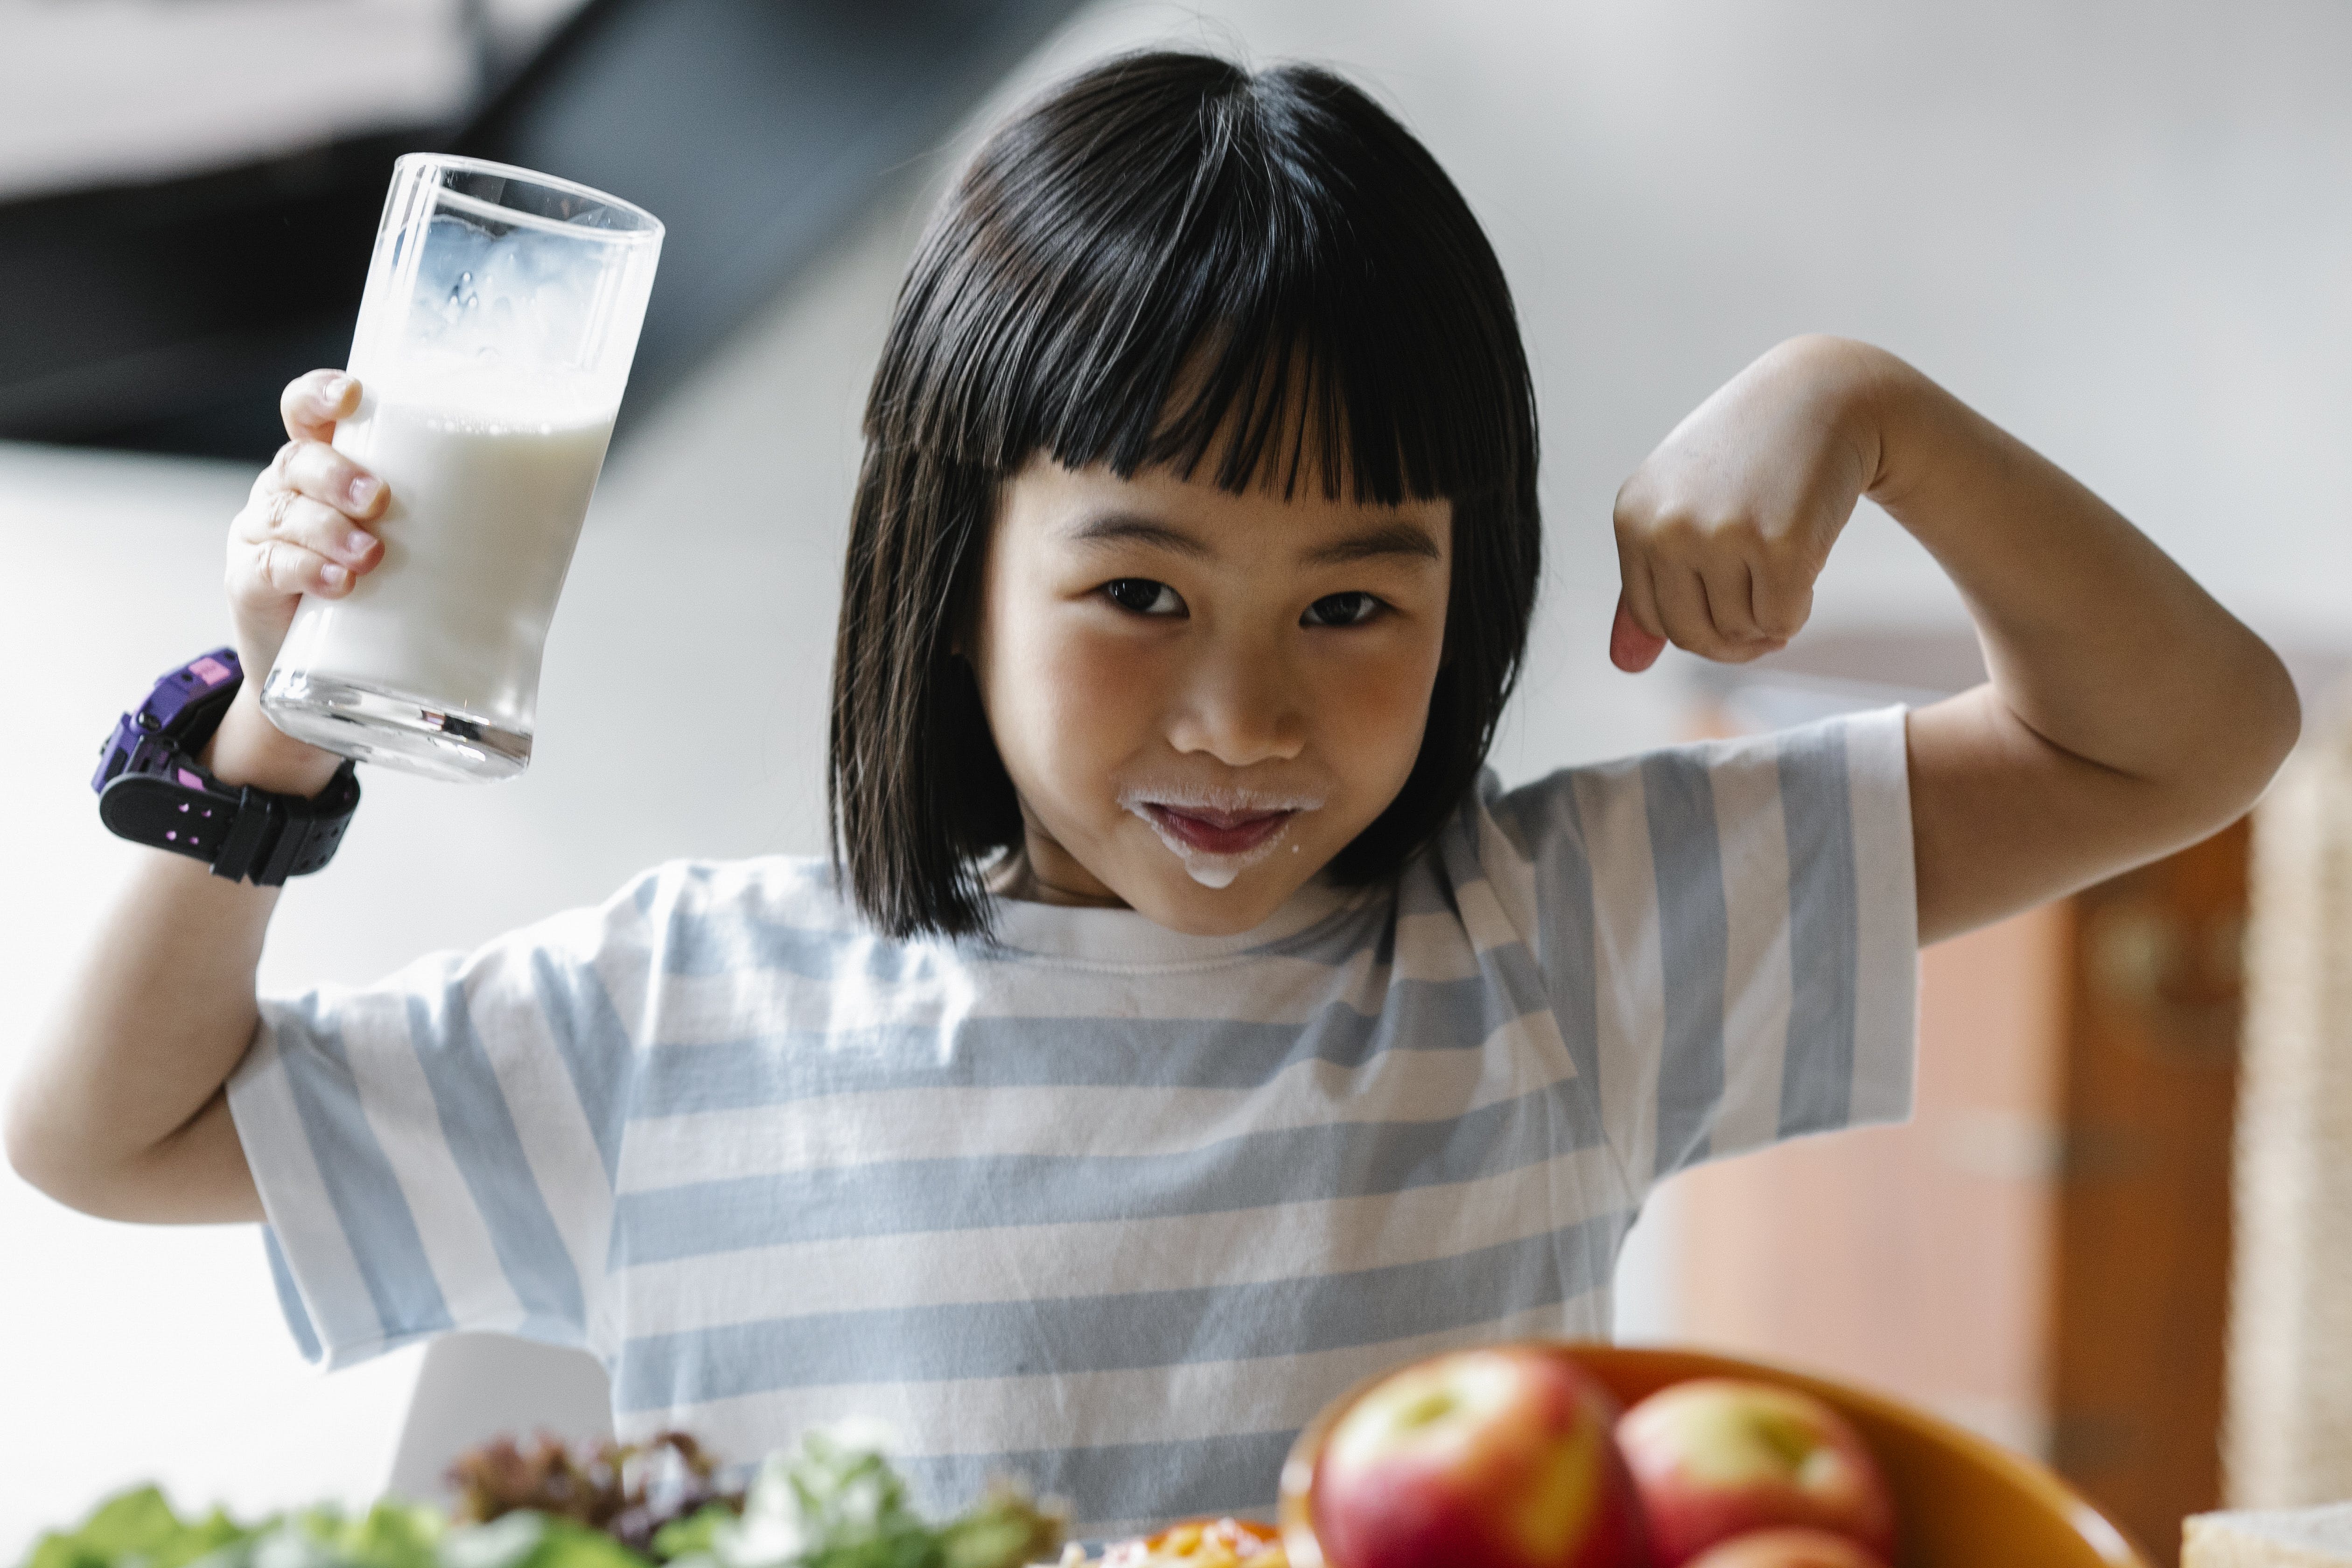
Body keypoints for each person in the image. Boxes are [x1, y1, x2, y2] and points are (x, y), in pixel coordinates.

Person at [4, 50, 2298, 1537]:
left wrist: (1865, 402)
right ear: (953, 566)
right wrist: (283, 721)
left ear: (1470, 600)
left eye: (1350, 610)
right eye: (1138, 594)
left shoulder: (1566, 938)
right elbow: (108, 1132)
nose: (1240, 721)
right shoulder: (688, 1002)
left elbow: (2189, 736)